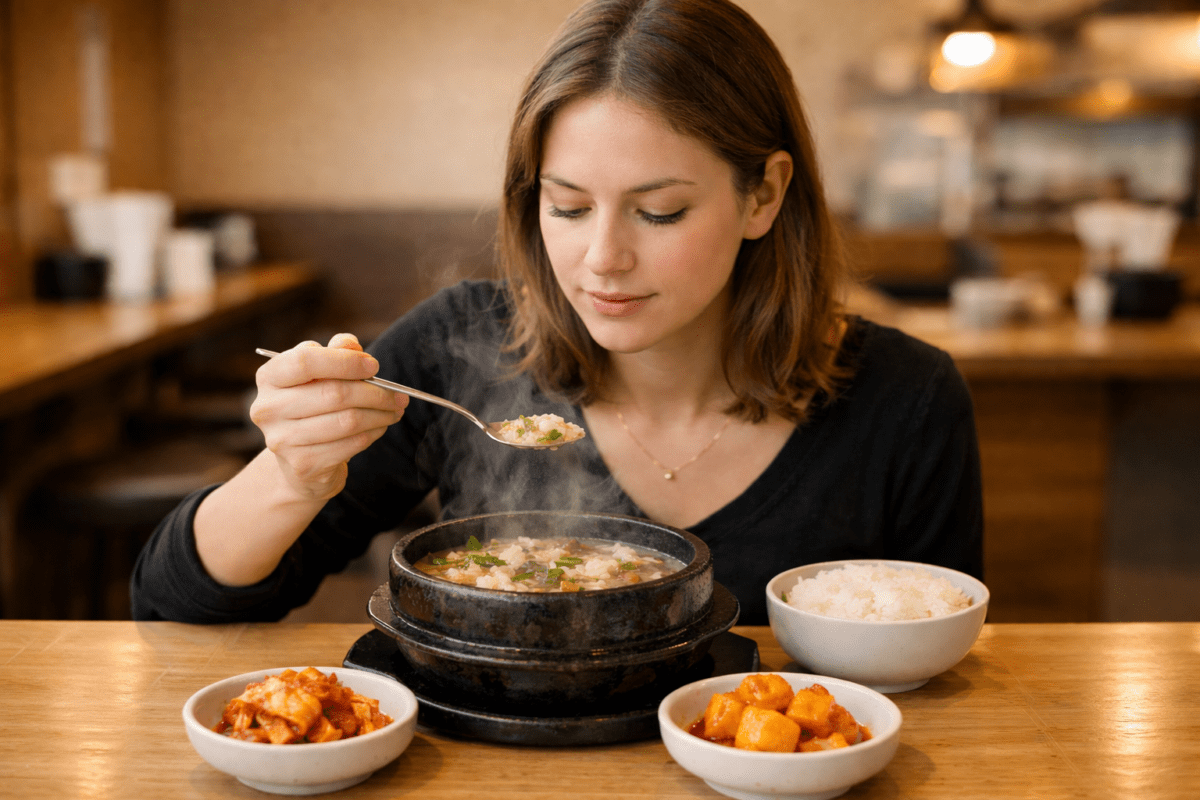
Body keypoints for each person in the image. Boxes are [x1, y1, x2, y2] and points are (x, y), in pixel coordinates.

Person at [131, 0, 982, 626]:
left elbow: (937, 665)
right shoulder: (463, 347)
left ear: (763, 194)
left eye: (660, 212)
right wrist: (289, 474)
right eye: (568, 207)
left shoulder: (905, 400)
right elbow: (171, 606)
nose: (601, 258)